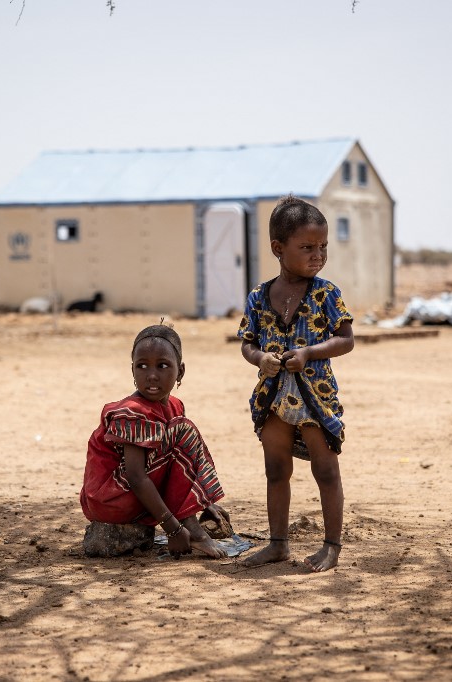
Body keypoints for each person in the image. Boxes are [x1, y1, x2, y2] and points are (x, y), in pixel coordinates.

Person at [237, 195, 355, 572]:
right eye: (307, 247)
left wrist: (309, 354)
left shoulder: (326, 293)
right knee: (276, 470)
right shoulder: (259, 296)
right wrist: (261, 359)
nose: (317, 255)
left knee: (325, 469)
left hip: (314, 397)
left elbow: (346, 339)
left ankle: (332, 546)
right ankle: (277, 544)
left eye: (322, 247)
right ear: (278, 248)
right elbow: (247, 342)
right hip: (273, 397)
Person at [80, 323, 229, 559]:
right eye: (142, 366)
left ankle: (189, 514)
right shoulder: (133, 412)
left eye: (162, 366)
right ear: (132, 370)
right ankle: (193, 530)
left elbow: (171, 469)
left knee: (179, 431)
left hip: (127, 496)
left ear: (180, 372)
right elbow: (137, 476)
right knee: (183, 431)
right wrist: (173, 529)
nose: (151, 375)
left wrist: (201, 502)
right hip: (110, 498)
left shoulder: (174, 405)